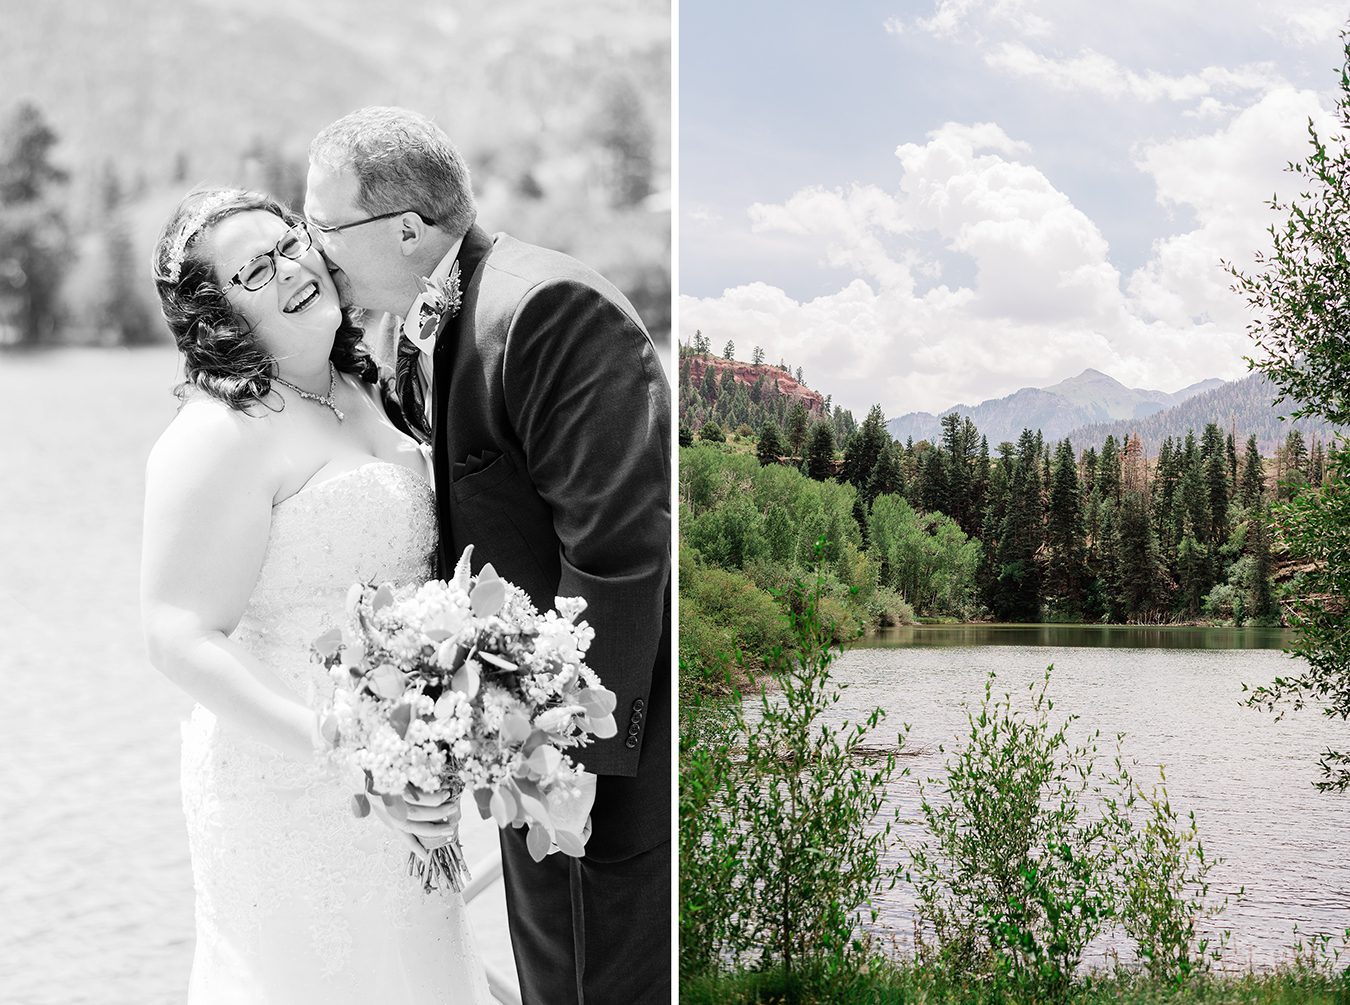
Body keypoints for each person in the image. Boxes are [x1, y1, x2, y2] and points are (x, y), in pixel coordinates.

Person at [305, 106, 672, 1004]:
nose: (314, 252)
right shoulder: (404, 329)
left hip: (596, 781)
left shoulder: (547, 309)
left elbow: (617, 550)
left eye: (323, 228)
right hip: (516, 758)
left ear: (403, 229)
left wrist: (564, 774)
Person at [140, 187, 491, 1004]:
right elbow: (177, 634)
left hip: (408, 762)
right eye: (251, 272)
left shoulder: (368, 388)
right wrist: (351, 750)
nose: (289, 269)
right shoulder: (219, 434)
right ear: (216, 314)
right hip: (288, 778)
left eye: (289, 243)